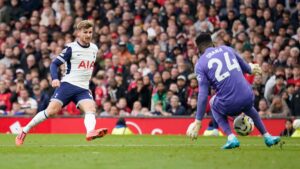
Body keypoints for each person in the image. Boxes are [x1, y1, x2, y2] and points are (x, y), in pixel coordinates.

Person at [15, 20, 108, 146]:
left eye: (90, 32)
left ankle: (90, 132)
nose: (88, 35)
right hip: (68, 85)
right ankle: (24, 130)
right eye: (85, 32)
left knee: (91, 108)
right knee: (51, 111)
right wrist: (54, 78)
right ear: (78, 33)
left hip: (83, 88)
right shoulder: (71, 48)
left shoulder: (94, 48)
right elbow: (54, 64)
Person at [186, 33, 280, 149]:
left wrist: (198, 120)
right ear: (213, 43)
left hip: (230, 103)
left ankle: (231, 138)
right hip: (248, 96)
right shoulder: (227, 49)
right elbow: (247, 69)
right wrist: (251, 68)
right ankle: (267, 136)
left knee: (213, 103)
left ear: (198, 49)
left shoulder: (200, 64)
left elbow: (203, 94)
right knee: (249, 108)